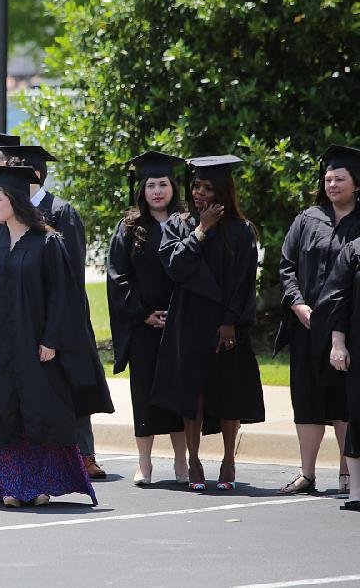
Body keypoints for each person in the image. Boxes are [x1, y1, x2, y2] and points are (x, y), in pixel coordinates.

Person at [0, 165, 112, 507]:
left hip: (35, 347)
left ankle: (41, 485)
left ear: (14, 200)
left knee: (38, 415)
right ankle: (12, 488)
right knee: (3, 414)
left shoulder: (47, 242)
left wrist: (52, 340)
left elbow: (63, 296)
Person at [152, 155, 265, 491]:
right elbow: (174, 265)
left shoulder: (242, 230)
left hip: (226, 323)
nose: (199, 193)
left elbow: (244, 281)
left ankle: (229, 459)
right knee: (193, 393)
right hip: (188, 320)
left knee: (229, 393)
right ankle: (195, 460)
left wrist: (231, 321)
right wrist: (202, 230)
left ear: (223, 192)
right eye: (196, 186)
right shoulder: (180, 224)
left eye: (208, 188)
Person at [16, 141, 108, 480]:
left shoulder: (61, 212)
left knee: (72, 382)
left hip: (63, 314)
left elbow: (72, 270)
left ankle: (84, 454)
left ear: (36, 175)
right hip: (27, 316)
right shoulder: (12, 214)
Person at [276, 145, 360, 495]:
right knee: (307, 399)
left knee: (343, 400)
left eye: (340, 178)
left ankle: (346, 472)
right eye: (328, 179)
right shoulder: (308, 218)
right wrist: (296, 303)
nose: (332, 185)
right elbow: (286, 266)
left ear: (357, 183)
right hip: (307, 327)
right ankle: (307, 473)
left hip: (349, 328)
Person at [106, 152, 188, 486]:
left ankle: (182, 463)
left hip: (180, 324)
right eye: (151, 184)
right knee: (143, 395)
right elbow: (117, 277)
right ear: (142, 189)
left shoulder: (187, 223)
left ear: (173, 187)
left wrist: (179, 314)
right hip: (143, 325)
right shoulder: (129, 227)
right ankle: (145, 463)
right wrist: (143, 314)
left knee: (179, 395)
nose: (157, 191)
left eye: (163, 184)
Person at [311, 224, 360, 511]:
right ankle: (356, 491)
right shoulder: (353, 250)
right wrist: (338, 344)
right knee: (357, 414)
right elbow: (337, 299)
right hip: (358, 346)